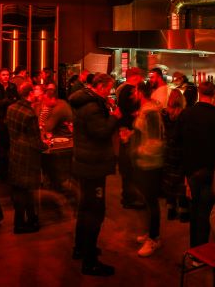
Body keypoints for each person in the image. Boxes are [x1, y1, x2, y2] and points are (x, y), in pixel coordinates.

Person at [69, 73, 121, 276]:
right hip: (93, 165)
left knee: (85, 208)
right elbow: (101, 132)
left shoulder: (85, 101)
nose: (110, 92)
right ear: (99, 87)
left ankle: (80, 248)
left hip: (85, 162)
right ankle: (90, 261)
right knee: (95, 212)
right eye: (108, 88)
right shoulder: (92, 107)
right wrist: (115, 117)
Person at [177, 80, 215, 247]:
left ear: (199, 94)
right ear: (214, 95)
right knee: (205, 212)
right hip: (210, 172)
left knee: (194, 211)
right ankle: (201, 248)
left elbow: (179, 143)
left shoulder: (186, 115)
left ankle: (194, 248)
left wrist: (184, 173)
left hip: (191, 171)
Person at [130, 82, 166, 257]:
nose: (133, 93)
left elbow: (156, 141)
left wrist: (138, 150)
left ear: (140, 92)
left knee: (151, 202)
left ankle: (154, 238)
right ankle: (150, 232)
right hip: (145, 162)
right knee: (147, 201)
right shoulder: (146, 110)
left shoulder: (150, 112)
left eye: (135, 90)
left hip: (151, 163)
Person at [6, 83, 44, 234]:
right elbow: (35, 141)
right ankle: (26, 223)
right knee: (28, 191)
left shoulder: (11, 108)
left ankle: (22, 222)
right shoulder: (30, 114)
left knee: (19, 190)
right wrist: (46, 146)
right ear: (30, 94)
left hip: (15, 151)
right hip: (28, 156)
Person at [115, 67, 145, 209]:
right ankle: (130, 198)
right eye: (140, 76)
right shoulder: (129, 90)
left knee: (127, 166)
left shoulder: (123, 89)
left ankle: (128, 196)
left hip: (124, 130)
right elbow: (131, 112)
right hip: (129, 132)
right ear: (135, 76)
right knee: (129, 166)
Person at [162, 90, 189, 222]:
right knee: (181, 183)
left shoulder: (165, 115)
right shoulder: (184, 116)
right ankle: (183, 212)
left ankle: (171, 210)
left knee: (170, 183)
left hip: (169, 151)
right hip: (181, 152)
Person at [0, 68, 18, 178]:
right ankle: (0, 169)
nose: (6, 77)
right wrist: (3, 102)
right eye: (3, 75)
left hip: (9, 117)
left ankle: (8, 168)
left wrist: (5, 102)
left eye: (7, 75)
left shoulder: (12, 86)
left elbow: (15, 100)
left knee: (8, 144)